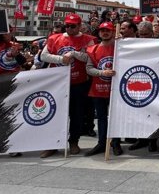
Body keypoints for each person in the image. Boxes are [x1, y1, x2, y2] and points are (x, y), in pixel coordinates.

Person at [39, 13, 96, 157]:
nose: (70, 28)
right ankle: (52, 144)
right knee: (55, 113)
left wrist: (75, 54)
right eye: (67, 26)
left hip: (79, 82)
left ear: (79, 26)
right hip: (58, 83)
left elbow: (91, 57)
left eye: (73, 26)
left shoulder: (88, 40)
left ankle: (74, 141)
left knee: (76, 114)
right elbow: (43, 56)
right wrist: (61, 59)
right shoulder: (54, 38)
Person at [85, 21, 122, 157]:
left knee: (115, 117)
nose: (104, 33)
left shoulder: (120, 47)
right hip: (98, 89)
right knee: (101, 118)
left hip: (116, 90)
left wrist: (122, 40)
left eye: (107, 30)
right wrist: (102, 73)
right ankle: (102, 143)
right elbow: (89, 69)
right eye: (102, 31)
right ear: (99, 33)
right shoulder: (92, 49)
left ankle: (116, 143)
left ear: (113, 32)